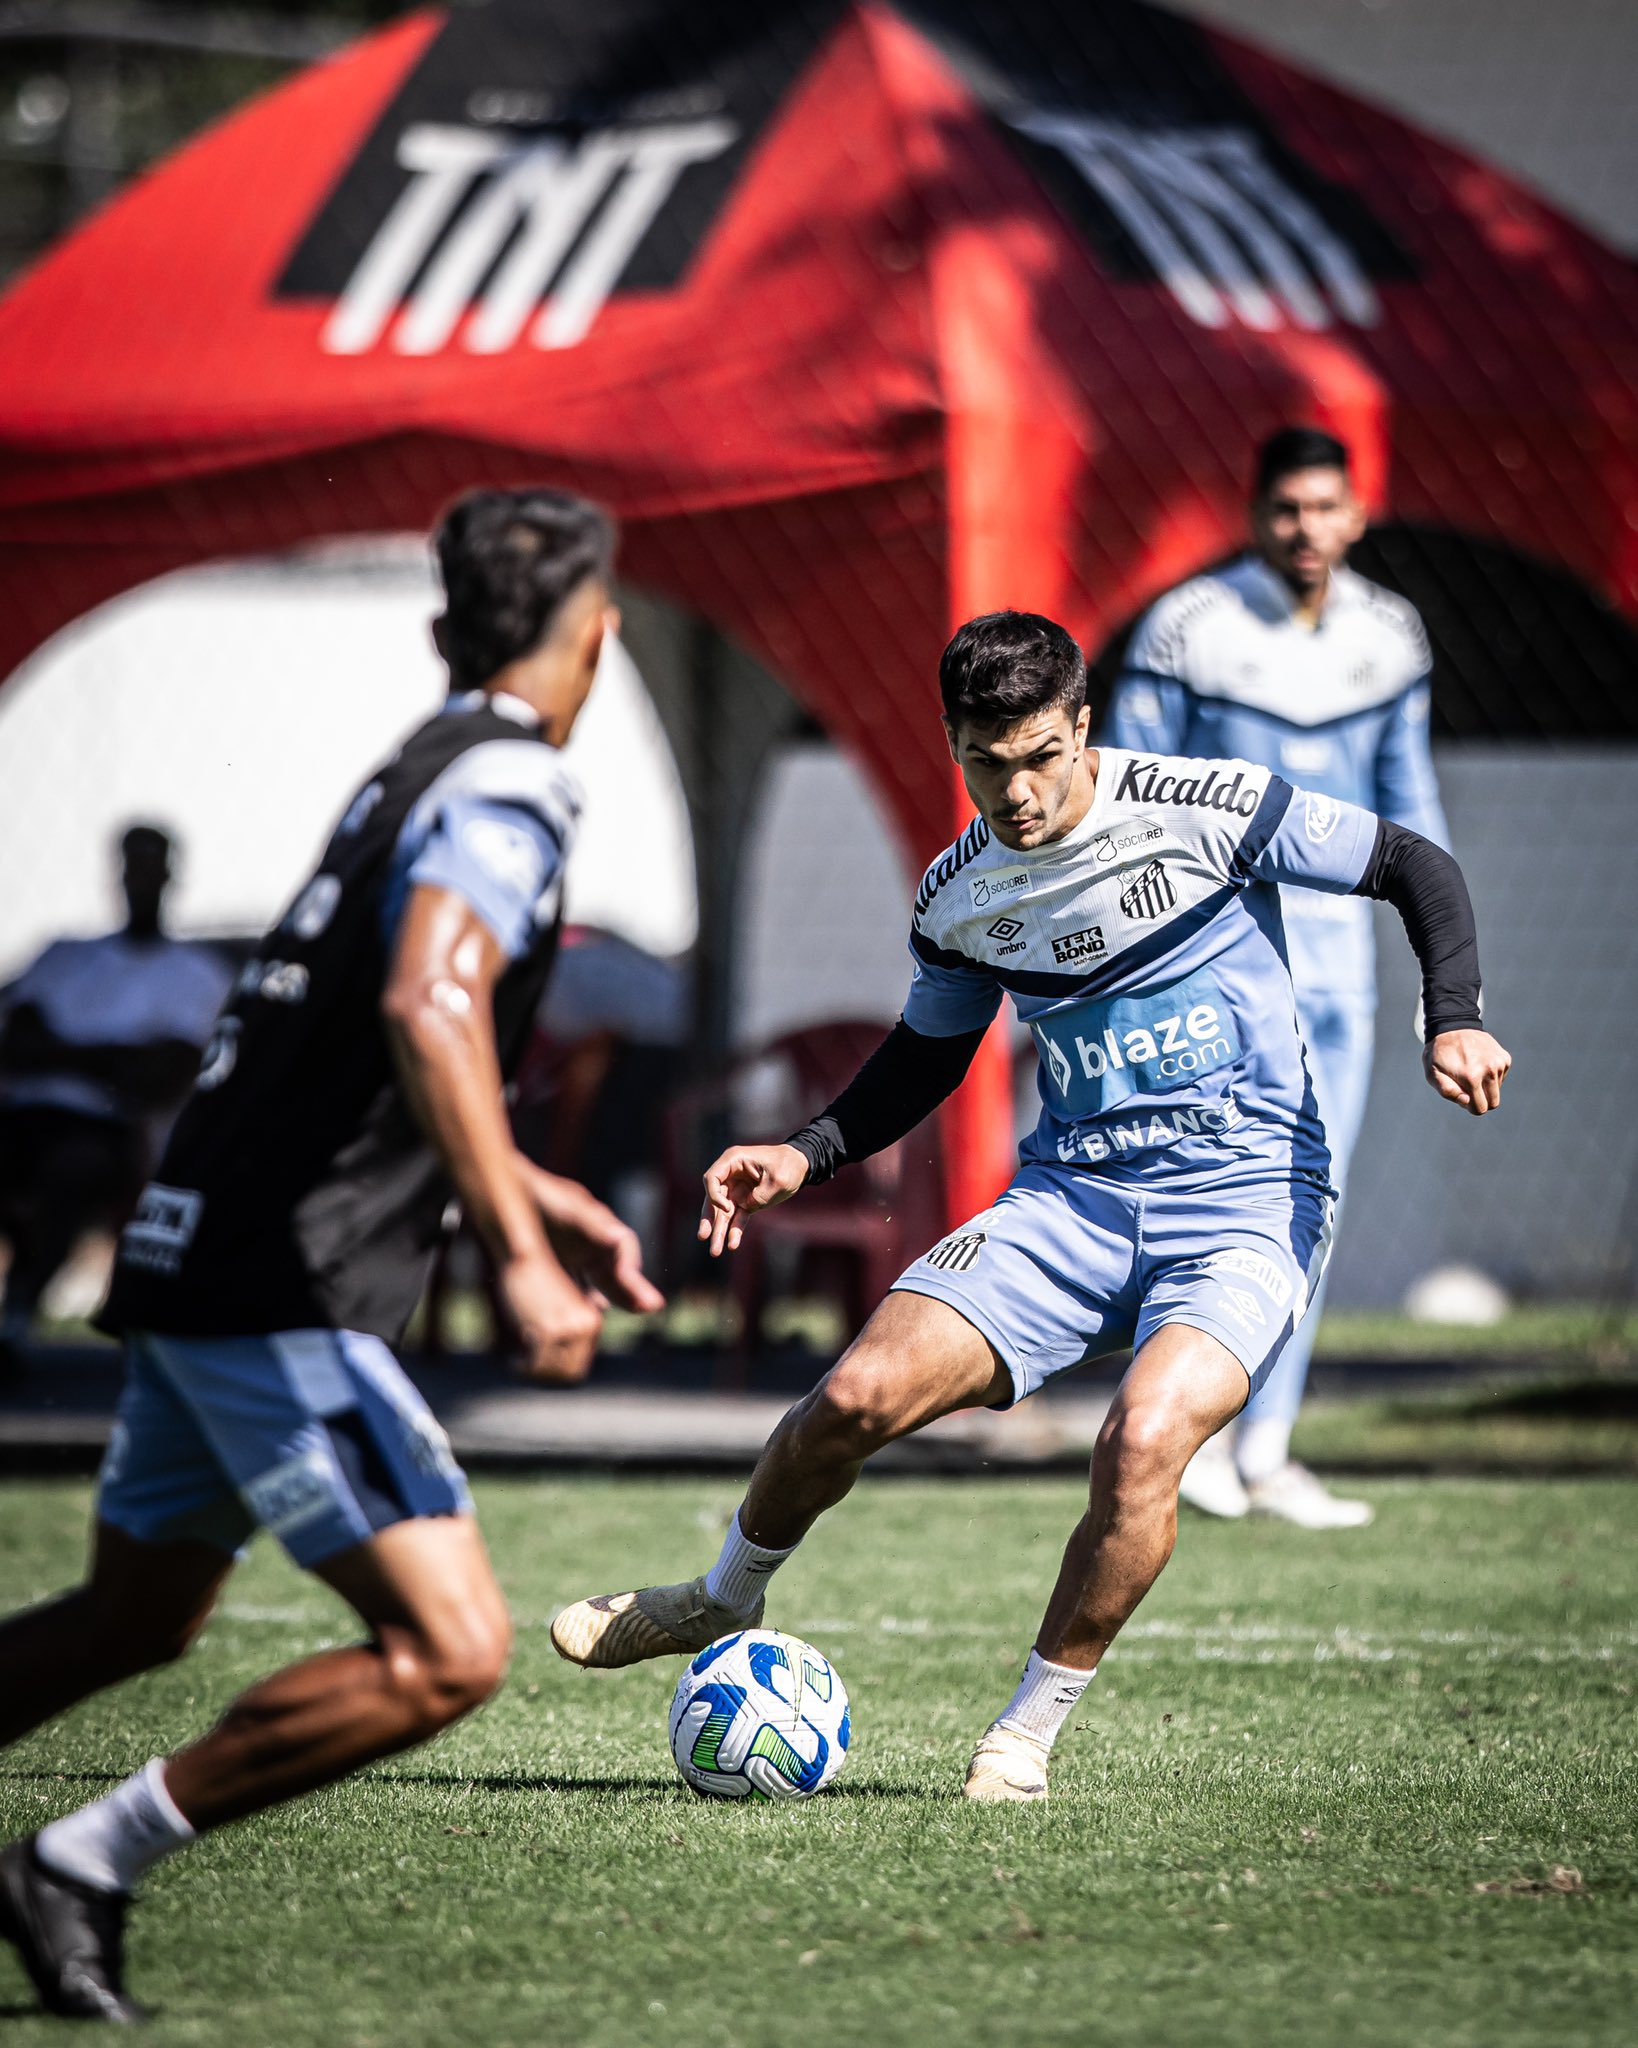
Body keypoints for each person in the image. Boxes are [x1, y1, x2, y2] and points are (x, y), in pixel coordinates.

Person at [550, 609, 1509, 1804]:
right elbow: (926, 1054)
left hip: (1250, 1200)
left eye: (1041, 754)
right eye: (986, 761)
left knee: (1146, 1437)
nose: (1017, 789)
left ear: (1082, 727)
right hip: (1073, 1202)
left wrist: (1454, 1008)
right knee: (848, 1398)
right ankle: (718, 1599)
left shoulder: (1206, 803)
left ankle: (1025, 1731)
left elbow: (1410, 861)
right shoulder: (959, 894)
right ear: (956, 745)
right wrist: (807, 1152)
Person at [0, 488, 663, 2022]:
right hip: (280, 1292)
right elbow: (429, 1002)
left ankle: (69, 1865)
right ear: (598, 637)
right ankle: (80, 1862)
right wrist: (515, 1251)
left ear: (443, 636)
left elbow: (354, 1048)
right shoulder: (513, 784)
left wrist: (525, 1185)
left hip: (193, 1247)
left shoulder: (404, 774)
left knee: (135, 1618)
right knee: (446, 1652)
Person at [1102, 425, 1448, 1528]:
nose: (1306, 529)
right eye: (1286, 508)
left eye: (1326, 508)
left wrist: (1450, 976)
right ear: (1255, 515)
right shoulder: (1188, 627)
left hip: (1341, 974)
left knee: (1314, 1206)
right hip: (1217, 972)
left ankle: (1267, 1449)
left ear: (1357, 515)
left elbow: (1412, 809)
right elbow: (1125, 802)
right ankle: (1179, 1433)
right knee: (1203, 1197)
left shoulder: (1391, 636)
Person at [0, 825, 230, 1364]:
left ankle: (18, 1311)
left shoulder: (194, 974)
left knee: (72, 1168)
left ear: (172, 875)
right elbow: (15, 1045)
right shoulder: (66, 957)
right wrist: (113, 1056)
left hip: (110, 1127)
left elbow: (164, 1073)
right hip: (22, 1114)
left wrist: (63, 1049)